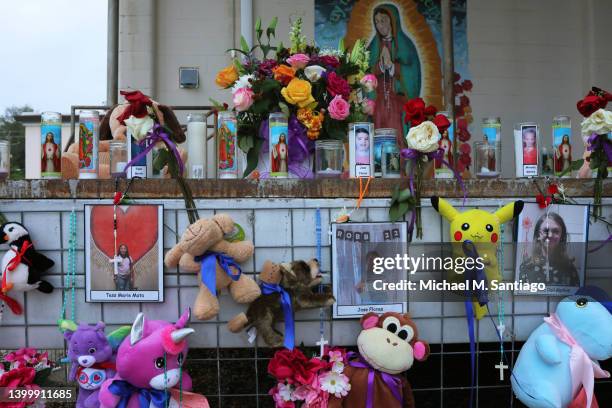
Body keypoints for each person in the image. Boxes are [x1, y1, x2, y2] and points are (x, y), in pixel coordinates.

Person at [368, 4, 421, 140]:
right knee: (378, 139)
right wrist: (380, 67)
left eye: (383, 20)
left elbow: (413, 73)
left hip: (398, 103)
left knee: (398, 138)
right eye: (377, 22)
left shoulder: (406, 45)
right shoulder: (373, 47)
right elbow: (365, 73)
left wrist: (392, 67)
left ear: (393, 21)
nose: (380, 25)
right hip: (379, 104)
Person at [519, 212, 579, 286]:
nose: (550, 235)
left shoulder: (569, 268)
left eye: (556, 231)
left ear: (562, 236)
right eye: (545, 231)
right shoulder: (526, 267)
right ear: (538, 234)